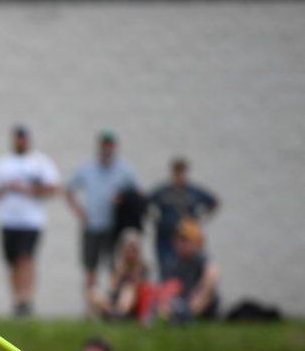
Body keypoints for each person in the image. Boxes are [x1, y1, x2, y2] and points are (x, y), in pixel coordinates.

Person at [0, 124, 60, 316]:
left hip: (31, 221)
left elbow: (53, 188)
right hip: (8, 220)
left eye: (24, 138)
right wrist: (6, 187)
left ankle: (27, 299)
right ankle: (17, 300)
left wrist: (27, 189)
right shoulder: (1, 164)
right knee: (13, 261)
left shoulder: (40, 163)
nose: (21, 141)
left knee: (27, 258)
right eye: (18, 138)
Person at [65, 132, 139, 314]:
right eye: (104, 144)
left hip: (113, 227)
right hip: (91, 226)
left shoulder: (125, 170)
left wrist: (122, 201)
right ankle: (90, 308)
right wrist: (79, 211)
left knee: (114, 267)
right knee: (90, 267)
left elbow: (136, 195)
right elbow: (69, 189)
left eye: (110, 145)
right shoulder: (87, 168)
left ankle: (113, 305)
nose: (107, 148)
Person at [146, 157, 220, 281]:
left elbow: (213, 203)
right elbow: (145, 202)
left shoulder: (193, 192)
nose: (179, 176)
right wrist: (154, 218)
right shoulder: (164, 191)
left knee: (189, 273)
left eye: (182, 172)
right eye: (176, 172)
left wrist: (200, 220)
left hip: (188, 241)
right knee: (166, 273)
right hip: (165, 240)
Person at [158, 219, 220, 322]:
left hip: (201, 303)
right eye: (178, 239)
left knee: (210, 280)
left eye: (185, 240)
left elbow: (213, 274)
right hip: (181, 301)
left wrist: (197, 293)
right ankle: (179, 316)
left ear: (195, 242)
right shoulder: (173, 262)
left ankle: (188, 315)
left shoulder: (200, 258)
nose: (180, 244)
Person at [89, 228, 152, 321]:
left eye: (133, 250)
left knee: (128, 289)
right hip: (116, 298)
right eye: (128, 249)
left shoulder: (143, 267)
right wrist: (119, 272)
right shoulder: (118, 266)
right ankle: (113, 313)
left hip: (132, 301)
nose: (130, 253)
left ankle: (118, 314)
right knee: (93, 293)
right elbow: (112, 287)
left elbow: (142, 288)